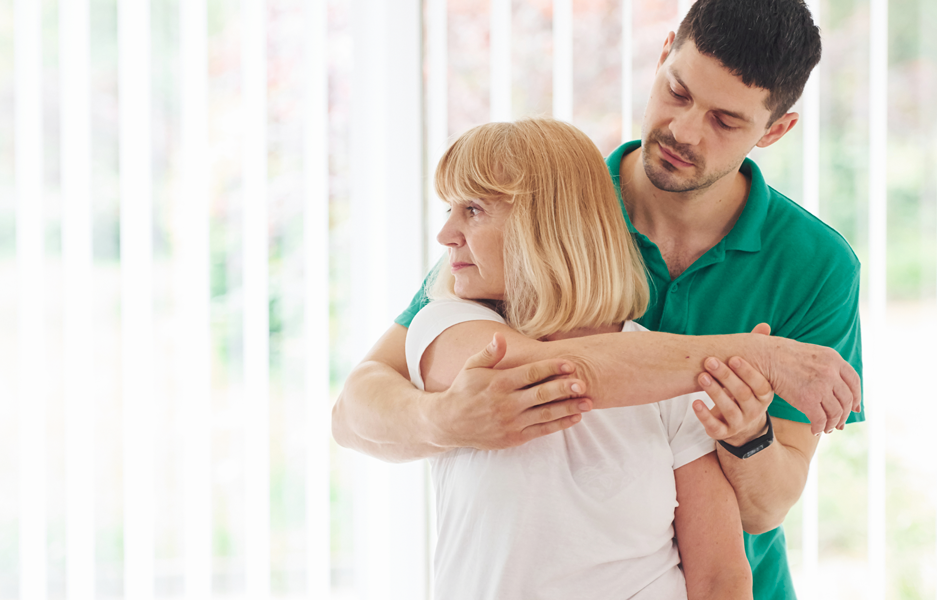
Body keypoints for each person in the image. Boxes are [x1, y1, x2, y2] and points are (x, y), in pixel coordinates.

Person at [333, 1, 863, 598]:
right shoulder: (548, 213)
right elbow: (355, 412)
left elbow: (767, 508)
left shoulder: (816, 266)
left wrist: (747, 437)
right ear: (663, 54)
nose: (685, 131)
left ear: (774, 130)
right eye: (678, 91)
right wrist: (442, 419)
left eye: (725, 121)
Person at [414, 117, 755, 599]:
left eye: (473, 209)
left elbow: (720, 577)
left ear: (546, 222)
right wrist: (758, 356)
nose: (447, 233)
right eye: (450, 208)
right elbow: (553, 373)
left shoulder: (667, 371)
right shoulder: (443, 329)